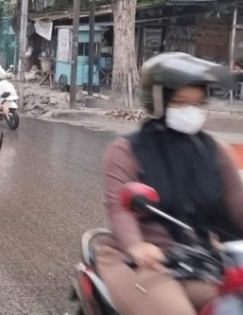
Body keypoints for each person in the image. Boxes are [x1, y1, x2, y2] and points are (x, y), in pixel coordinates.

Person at [96, 52, 243, 315]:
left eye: (198, 104)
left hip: (200, 259)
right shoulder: (126, 150)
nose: (191, 110)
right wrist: (136, 246)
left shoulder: (216, 151)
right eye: (181, 102)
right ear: (159, 101)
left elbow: (238, 204)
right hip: (140, 261)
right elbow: (121, 208)